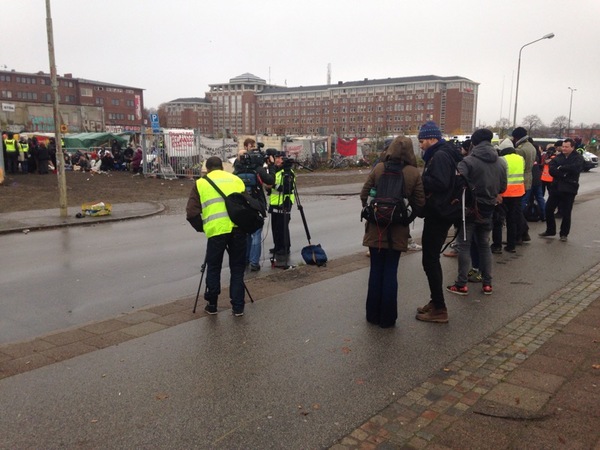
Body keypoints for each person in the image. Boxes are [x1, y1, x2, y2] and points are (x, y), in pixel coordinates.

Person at [360, 136, 425, 328]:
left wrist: (373, 213)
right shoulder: (413, 173)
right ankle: (387, 319)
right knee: (390, 272)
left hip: (375, 231)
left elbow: (364, 194)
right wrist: (405, 218)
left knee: (375, 272)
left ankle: (372, 315)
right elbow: (420, 205)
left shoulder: (379, 168)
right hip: (397, 232)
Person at [446, 129, 507, 296]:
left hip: (469, 209)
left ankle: (461, 284)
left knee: (464, 246)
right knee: (484, 245)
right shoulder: (501, 162)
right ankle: (487, 284)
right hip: (489, 208)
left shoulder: (468, 161)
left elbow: (456, 185)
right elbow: (502, 188)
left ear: (473, 142)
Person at [185, 156, 248, 316]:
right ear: (222, 167)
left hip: (216, 231)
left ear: (207, 168)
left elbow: (192, 213)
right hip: (238, 229)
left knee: (213, 267)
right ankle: (238, 307)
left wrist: (204, 227)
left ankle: (212, 305)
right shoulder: (236, 180)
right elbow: (247, 204)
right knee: (237, 268)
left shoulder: (201, 183)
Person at [415, 121, 463, 324]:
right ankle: (435, 301)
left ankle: (440, 308)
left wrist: (421, 181)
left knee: (430, 260)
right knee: (430, 259)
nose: (421, 144)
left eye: (422, 140)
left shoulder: (441, 155)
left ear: (433, 138)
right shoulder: (444, 153)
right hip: (443, 211)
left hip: (439, 213)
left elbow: (441, 183)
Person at [233, 138, 274, 272]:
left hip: (242, 206)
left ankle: (245, 259)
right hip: (256, 205)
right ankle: (254, 263)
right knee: (256, 233)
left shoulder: (236, 172)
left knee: (245, 233)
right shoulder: (257, 169)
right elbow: (270, 180)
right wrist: (271, 166)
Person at [539, 138, 584, 242]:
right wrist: (563, 172)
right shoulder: (558, 157)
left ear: (572, 147)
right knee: (548, 209)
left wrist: (561, 168)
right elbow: (552, 169)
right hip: (556, 187)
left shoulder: (578, 158)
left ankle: (564, 233)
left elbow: (576, 168)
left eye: (566, 147)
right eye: (563, 146)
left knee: (566, 212)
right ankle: (550, 230)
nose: (564, 148)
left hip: (569, 188)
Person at [497, 138, 525, 253]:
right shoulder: (520, 159)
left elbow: (499, 177)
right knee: (512, 220)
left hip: (504, 193)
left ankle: (497, 245)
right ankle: (511, 245)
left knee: (498, 221)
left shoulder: (501, 160)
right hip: (518, 193)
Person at [268, 150, 296, 268]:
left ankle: (284, 248)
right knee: (275, 227)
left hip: (284, 203)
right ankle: (277, 246)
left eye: (280, 158)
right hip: (275, 203)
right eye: (276, 158)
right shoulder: (276, 171)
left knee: (282, 227)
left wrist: (273, 185)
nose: (277, 160)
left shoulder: (288, 172)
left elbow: (287, 188)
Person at [511, 127, 536, 241]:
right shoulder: (530, 146)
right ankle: (523, 232)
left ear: (517, 137)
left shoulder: (520, 149)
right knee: (518, 208)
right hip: (528, 179)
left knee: (516, 210)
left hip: (520, 181)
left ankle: (520, 233)